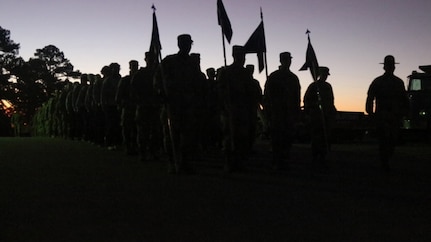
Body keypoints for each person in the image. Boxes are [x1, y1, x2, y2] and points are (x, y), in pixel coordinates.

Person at [154, 34, 204, 174]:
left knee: (188, 136)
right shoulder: (169, 61)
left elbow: (198, 82)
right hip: (172, 103)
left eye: (188, 43)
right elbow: (158, 79)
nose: (186, 46)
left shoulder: (192, 63)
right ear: (179, 44)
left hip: (188, 104)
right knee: (171, 135)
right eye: (183, 43)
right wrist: (161, 92)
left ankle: (185, 162)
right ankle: (172, 162)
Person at [366, 55, 409, 171]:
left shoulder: (393, 82)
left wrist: (370, 113)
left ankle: (385, 160)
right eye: (390, 66)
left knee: (389, 140)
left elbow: (404, 99)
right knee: (385, 140)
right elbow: (370, 98)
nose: (391, 68)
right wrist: (371, 113)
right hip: (385, 116)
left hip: (391, 116)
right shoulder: (385, 82)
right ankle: (385, 162)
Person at [217, 45, 255, 173]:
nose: (242, 59)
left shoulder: (245, 73)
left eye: (243, 56)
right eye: (239, 56)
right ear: (234, 56)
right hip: (230, 109)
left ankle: (240, 162)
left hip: (243, 109)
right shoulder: (226, 72)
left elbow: (251, 91)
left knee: (242, 137)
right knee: (229, 137)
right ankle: (229, 162)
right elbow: (220, 90)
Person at [264, 52, 301, 170]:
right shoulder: (274, 76)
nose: (288, 62)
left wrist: (296, 113)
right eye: (286, 59)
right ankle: (276, 161)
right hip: (277, 112)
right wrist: (268, 112)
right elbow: (267, 96)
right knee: (277, 138)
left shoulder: (293, 78)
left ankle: (284, 159)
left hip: (289, 113)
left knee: (287, 138)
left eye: (289, 59)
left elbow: (297, 97)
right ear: (281, 60)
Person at [131, 52, 162, 162]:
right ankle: (143, 152)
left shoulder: (159, 72)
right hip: (144, 105)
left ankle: (154, 152)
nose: (152, 61)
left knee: (155, 131)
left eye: (154, 59)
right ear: (146, 59)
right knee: (143, 131)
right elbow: (134, 90)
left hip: (155, 106)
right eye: (150, 59)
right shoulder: (140, 74)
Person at [303, 66, 336, 168]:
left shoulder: (328, 86)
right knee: (316, 137)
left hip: (326, 116)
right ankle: (315, 156)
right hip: (316, 116)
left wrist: (333, 111)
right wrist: (315, 103)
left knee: (326, 137)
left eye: (326, 75)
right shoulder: (313, 86)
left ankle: (323, 156)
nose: (325, 77)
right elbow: (306, 100)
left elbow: (331, 101)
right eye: (324, 74)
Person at [116, 60, 139, 155]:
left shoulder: (139, 78)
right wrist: (120, 104)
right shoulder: (125, 80)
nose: (134, 67)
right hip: (127, 106)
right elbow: (119, 93)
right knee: (127, 128)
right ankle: (128, 146)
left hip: (137, 106)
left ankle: (135, 146)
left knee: (136, 128)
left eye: (136, 66)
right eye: (133, 66)